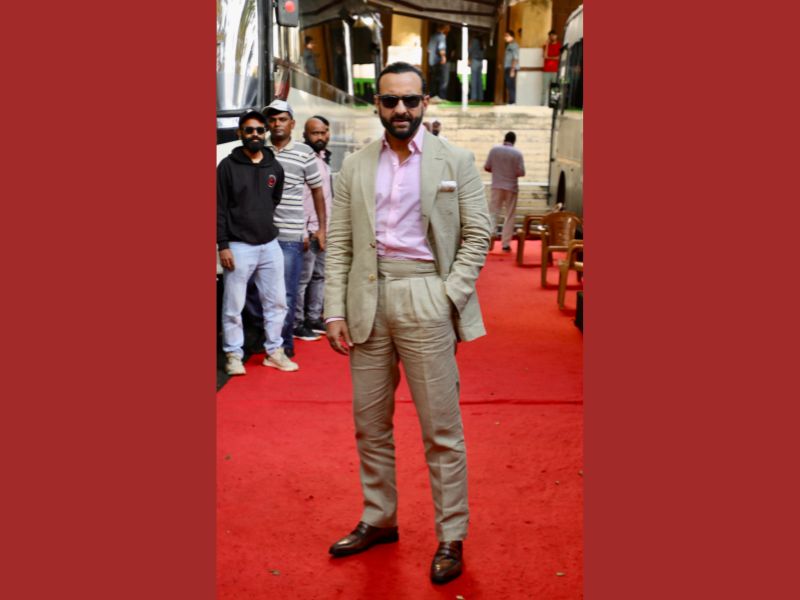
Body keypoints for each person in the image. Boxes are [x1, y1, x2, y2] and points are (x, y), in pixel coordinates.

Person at [324, 61, 492, 585]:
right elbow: (340, 243)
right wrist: (334, 309)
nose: (401, 109)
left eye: (411, 100)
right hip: (367, 299)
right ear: (377, 104)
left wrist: (448, 295)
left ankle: (451, 534)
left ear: (425, 103)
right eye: (391, 100)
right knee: (370, 424)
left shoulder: (455, 160)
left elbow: (478, 234)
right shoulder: (355, 165)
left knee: (441, 429)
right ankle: (380, 518)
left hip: (426, 295)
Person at [217, 110, 298, 374]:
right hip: (238, 246)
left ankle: (274, 352)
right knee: (233, 306)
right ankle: (233, 355)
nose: (255, 134)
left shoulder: (274, 167)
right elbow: (218, 208)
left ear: (265, 133)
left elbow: (273, 200)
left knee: (277, 303)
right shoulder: (227, 167)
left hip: (269, 244)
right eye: (249, 130)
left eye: (259, 130)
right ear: (240, 133)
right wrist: (223, 245)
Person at [263, 99, 327, 361]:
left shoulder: (304, 153)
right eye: (272, 119)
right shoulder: (259, 150)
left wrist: (321, 229)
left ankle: (285, 343)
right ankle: (265, 340)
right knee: (259, 294)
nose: (277, 124)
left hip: (290, 236)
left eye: (282, 119)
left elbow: (318, 192)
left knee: (287, 293)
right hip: (260, 236)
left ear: (292, 123)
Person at [294, 115, 333, 337]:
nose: (320, 136)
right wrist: (304, 230)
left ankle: (313, 318)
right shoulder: (304, 159)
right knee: (303, 279)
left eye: (323, 132)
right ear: (305, 135)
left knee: (320, 276)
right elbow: (299, 199)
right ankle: (297, 323)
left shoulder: (323, 159)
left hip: (324, 230)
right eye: (315, 133)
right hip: (309, 231)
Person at [484, 131, 525, 252]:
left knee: (493, 212)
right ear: (514, 141)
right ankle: (505, 244)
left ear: (504, 139)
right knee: (510, 215)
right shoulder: (517, 153)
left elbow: (487, 167)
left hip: (496, 185)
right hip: (511, 187)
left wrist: (498, 172)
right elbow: (521, 172)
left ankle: (490, 237)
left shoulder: (494, 150)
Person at [427, 23, 450, 101]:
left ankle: (432, 96)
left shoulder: (432, 36)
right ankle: (441, 97)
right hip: (438, 61)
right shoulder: (442, 36)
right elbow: (441, 48)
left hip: (431, 60)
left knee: (433, 79)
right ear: (444, 27)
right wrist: (443, 57)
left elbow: (428, 49)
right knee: (442, 80)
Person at [542, 29, 561, 106]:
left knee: (555, 88)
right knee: (544, 89)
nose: (552, 37)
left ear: (556, 36)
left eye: (553, 35)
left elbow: (559, 58)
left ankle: (554, 105)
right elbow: (545, 56)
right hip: (546, 70)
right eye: (550, 36)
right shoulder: (545, 46)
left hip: (555, 70)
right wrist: (547, 45)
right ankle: (542, 105)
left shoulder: (559, 46)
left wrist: (549, 57)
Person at [503, 30, 520, 105]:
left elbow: (515, 58)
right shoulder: (509, 45)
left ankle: (512, 102)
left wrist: (512, 69)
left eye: (507, 36)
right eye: (505, 36)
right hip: (507, 66)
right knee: (508, 84)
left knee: (511, 85)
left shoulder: (514, 45)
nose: (505, 37)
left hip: (511, 67)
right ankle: (511, 101)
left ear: (512, 36)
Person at [468, 36, 484, 101]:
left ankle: (473, 97)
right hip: (480, 62)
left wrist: (468, 59)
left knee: (474, 80)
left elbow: (470, 50)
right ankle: (480, 97)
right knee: (479, 80)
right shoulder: (482, 42)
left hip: (475, 61)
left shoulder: (474, 41)